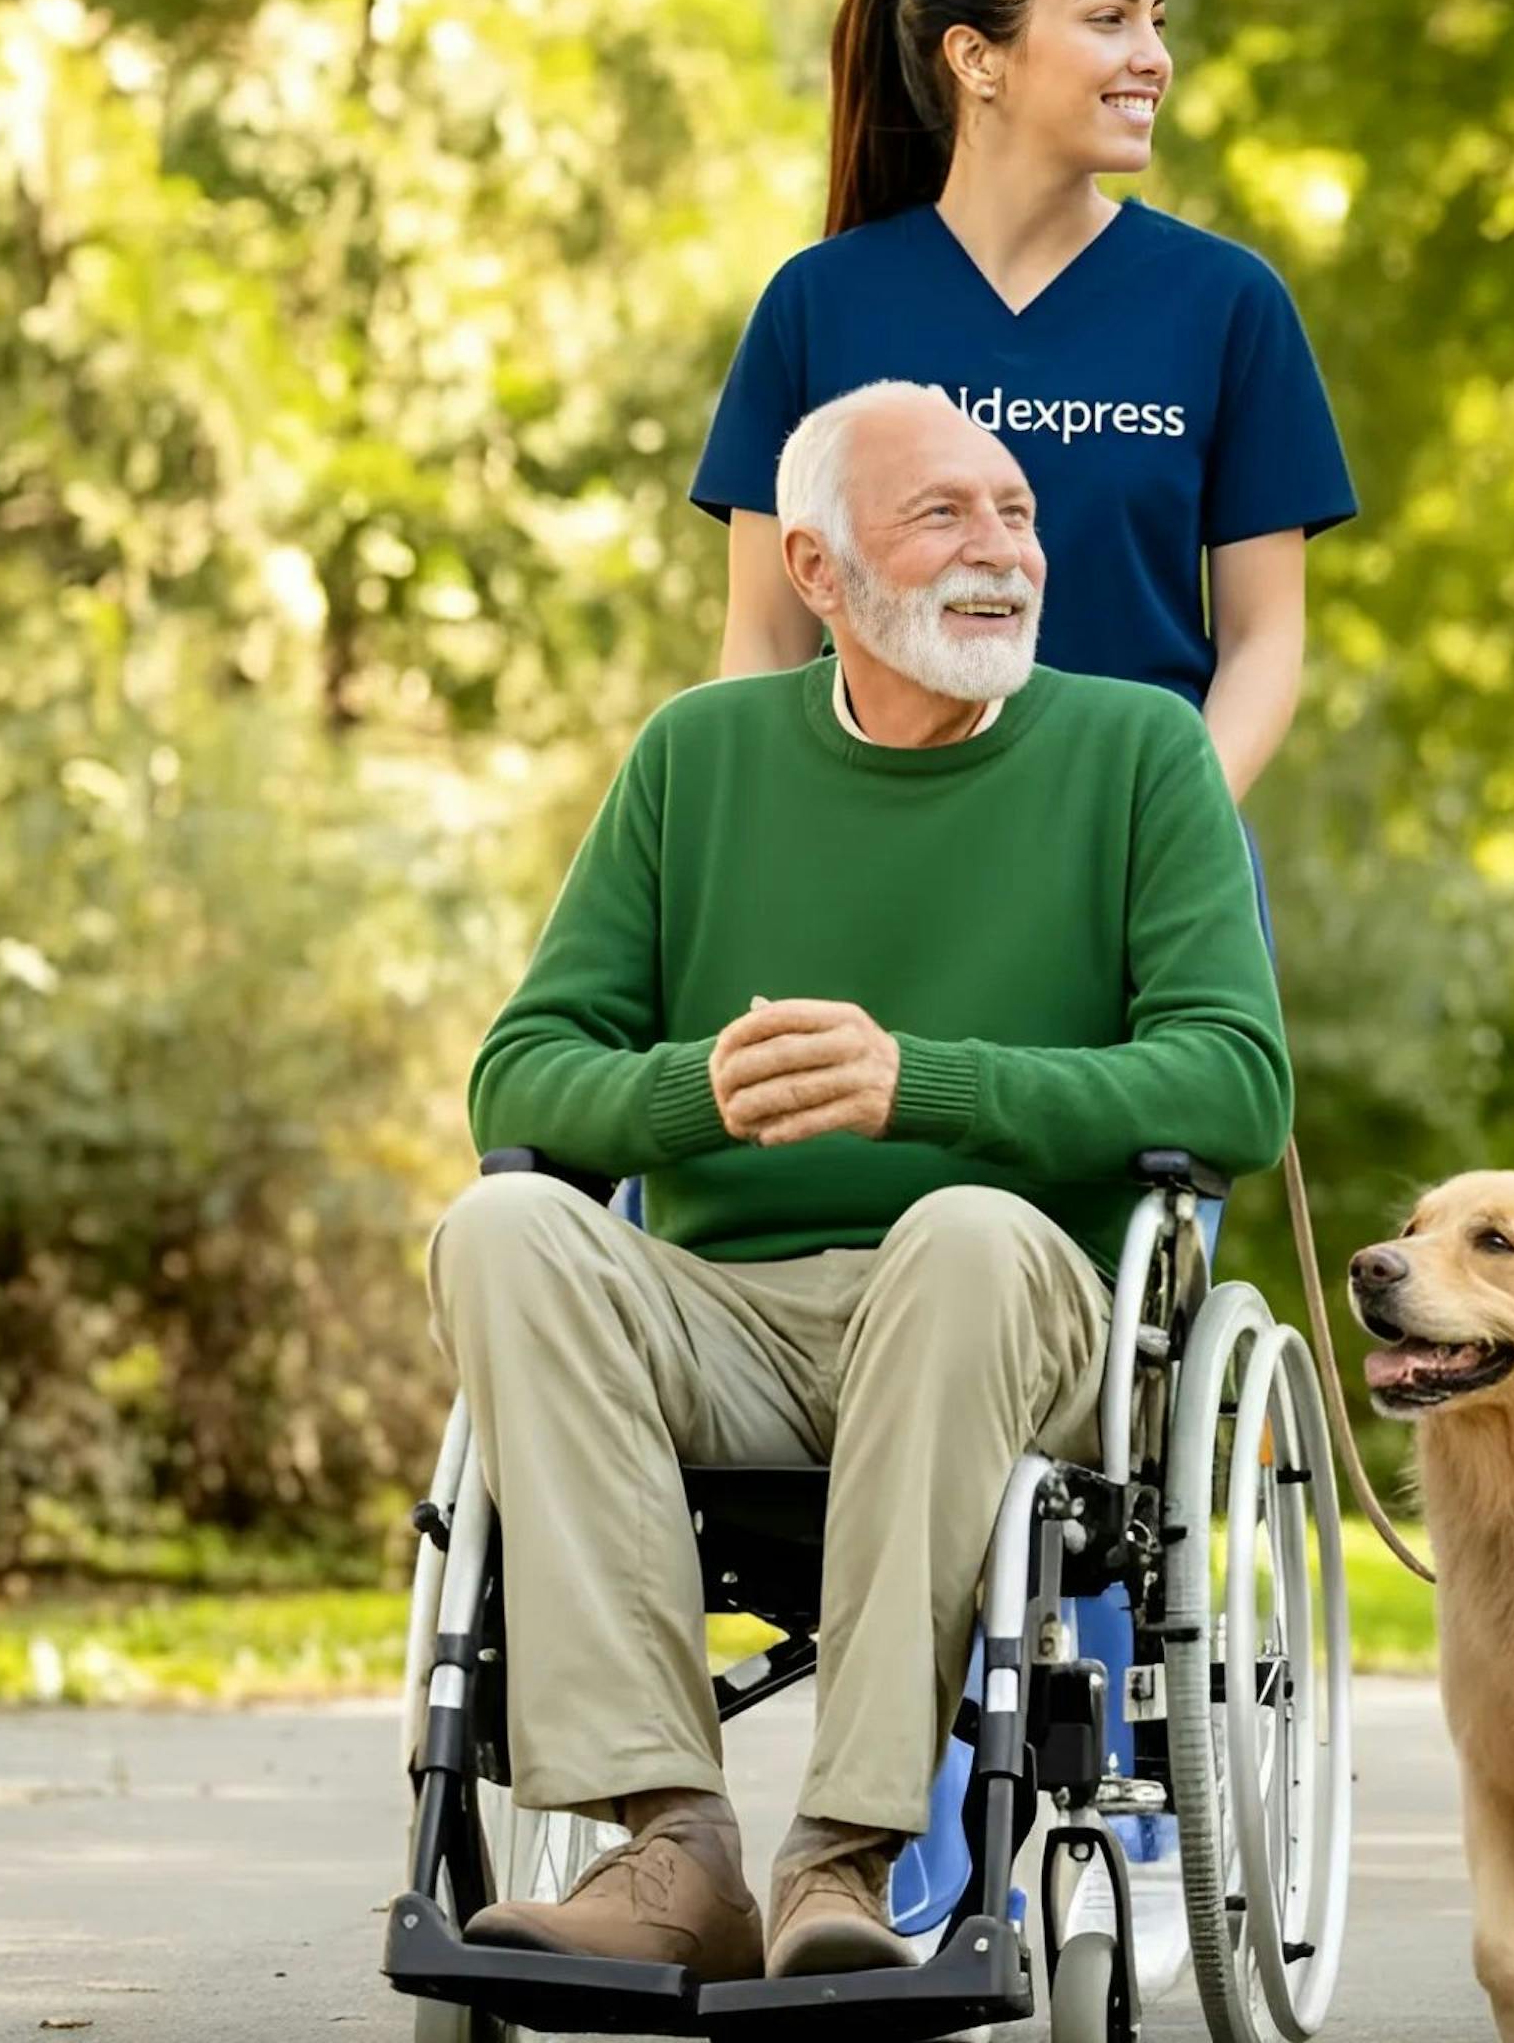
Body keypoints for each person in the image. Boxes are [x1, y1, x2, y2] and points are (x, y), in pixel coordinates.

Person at [432, 380, 1290, 1984]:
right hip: (728, 1322)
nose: (1003, 552)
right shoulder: (698, 758)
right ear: (818, 573)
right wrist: (691, 1094)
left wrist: (933, 1086)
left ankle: (850, 1854)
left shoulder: (1139, 754)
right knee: (505, 1226)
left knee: (957, 1230)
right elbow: (521, 1074)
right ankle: (672, 1848)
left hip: (1012, 1310)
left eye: (1018, 514)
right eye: (945, 516)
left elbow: (1236, 1083)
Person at [691, 0, 1354, 809]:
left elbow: (1264, 642)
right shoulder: (819, 303)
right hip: (892, 857)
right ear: (976, 58)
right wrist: (784, 835)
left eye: (1157, 23)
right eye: (1109, 19)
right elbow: (766, 642)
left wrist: (1171, 828)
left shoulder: (1228, 305)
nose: (1154, 58)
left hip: (1147, 861)